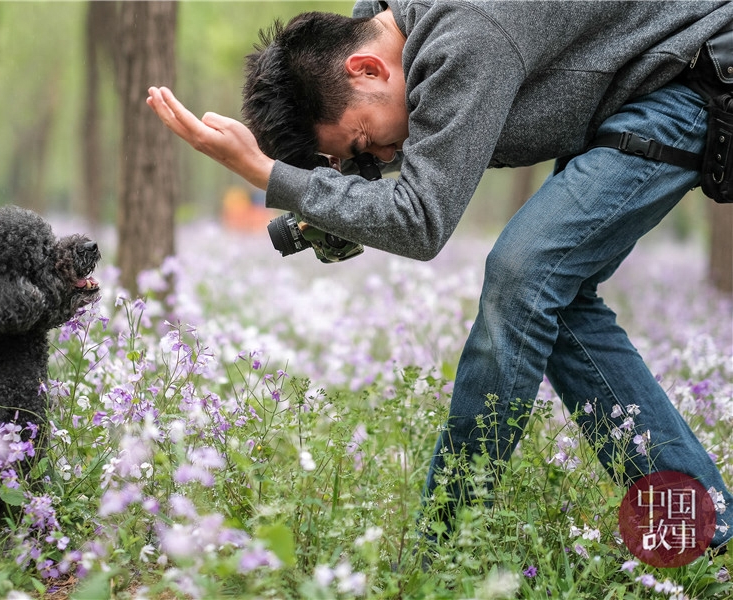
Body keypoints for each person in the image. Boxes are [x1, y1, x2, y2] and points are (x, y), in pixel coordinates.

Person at [148, 0, 733, 554]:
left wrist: (263, 172)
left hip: (694, 69)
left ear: (367, 68)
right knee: (553, 293)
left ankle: (443, 548)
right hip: (644, 76)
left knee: (525, 275)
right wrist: (338, 184)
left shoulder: (464, 36)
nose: (378, 156)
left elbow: (422, 221)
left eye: (362, 141)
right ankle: (703, 525)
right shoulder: (383, 27)